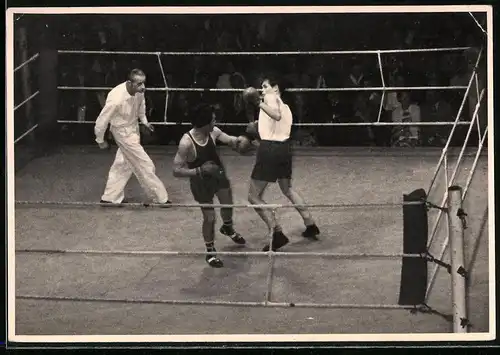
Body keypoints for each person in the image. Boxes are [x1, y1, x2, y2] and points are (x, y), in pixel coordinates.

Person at [244, 76, 320, 252]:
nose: (262, 90)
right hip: (285, 148)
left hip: (270, 150)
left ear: (275, 87)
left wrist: (258, 103)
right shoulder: (286, 106)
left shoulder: (270, 98)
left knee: (253, 197)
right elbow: (275, 120)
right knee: (287, 189)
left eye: (265, 86)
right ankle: (310, 224)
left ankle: (277, 233)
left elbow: (275, 116)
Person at [172, 103, 247, 268]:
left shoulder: (213, 132)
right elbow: (176, 170)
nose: (215, 123)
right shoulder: (186, 143)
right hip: (200, 182)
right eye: (212, 121)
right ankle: (210, 251)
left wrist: (241, 141)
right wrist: (199, 170)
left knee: (227, 204)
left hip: (218, 176)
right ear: (204, 124)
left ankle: (227, 227)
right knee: (210, 218)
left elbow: (230, 140)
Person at [94, 68, 171, 205]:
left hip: (133, 129)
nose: (143, 87)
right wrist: (100, 140)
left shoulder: (139, 91)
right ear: (130, 83)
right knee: (144, 163)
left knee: (123, 164)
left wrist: (145, 122)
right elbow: (102, 120)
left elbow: (141, 106)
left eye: (144, 83)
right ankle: (160, 197)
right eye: (139, 84)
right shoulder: (116, 98)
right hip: (122, 133)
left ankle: (110, 197)